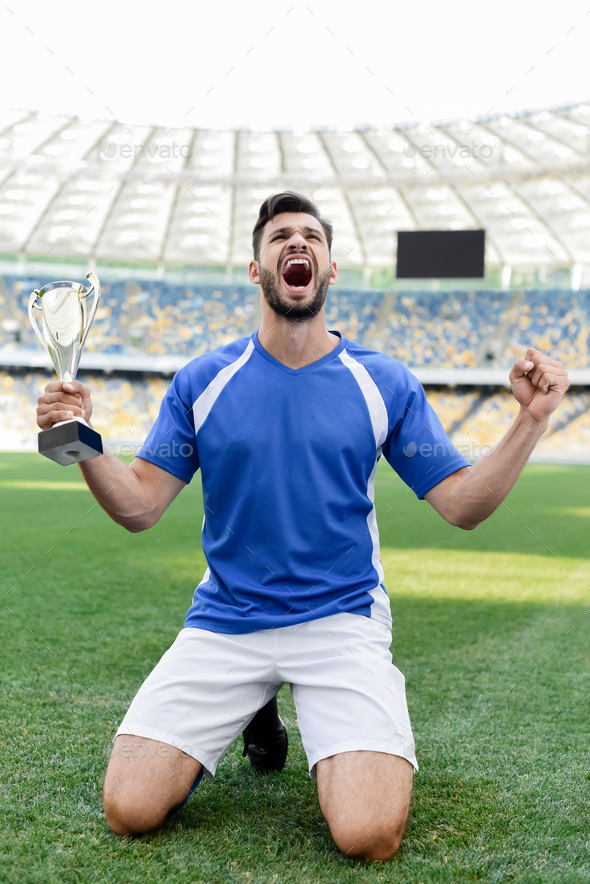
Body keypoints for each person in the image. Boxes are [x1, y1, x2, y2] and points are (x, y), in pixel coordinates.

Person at [36, 191, 569, 862]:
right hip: (228, 620)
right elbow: (140, 506)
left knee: (368, 835)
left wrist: (532, 419)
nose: (297, 244)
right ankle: (252, 700)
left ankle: (283, 704)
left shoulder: (385, 383)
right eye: (280, 236)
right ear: (256, 269)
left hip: (339, 620)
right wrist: (79, 442)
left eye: (310, 237)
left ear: (330, 268)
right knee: (129, 808)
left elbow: (463, 504)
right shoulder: (203, 379)